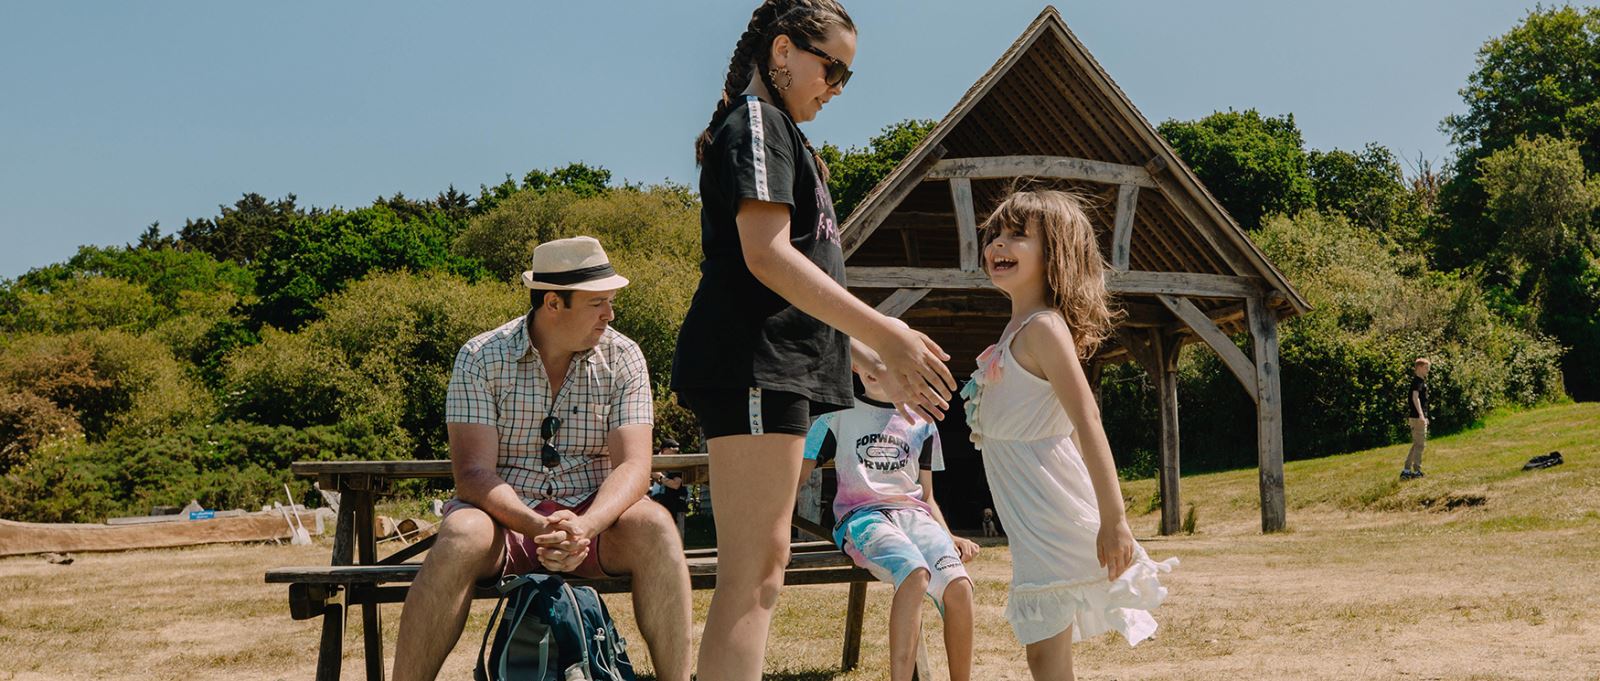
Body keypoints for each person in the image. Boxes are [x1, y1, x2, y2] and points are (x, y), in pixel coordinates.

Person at [671, 2, 955, 678]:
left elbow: (795, 284)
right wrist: (882, 328)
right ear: (782, 51)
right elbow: (765, 255)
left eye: (847, 78)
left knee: (763, 567)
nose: (836, 88)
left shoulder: (787, 137)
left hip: (779, 370)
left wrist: (858, 352)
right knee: (754, 570)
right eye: (833, 69)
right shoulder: (759, 122)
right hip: (749, 365)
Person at [391, 237, 691, 681]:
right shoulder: (480, 357)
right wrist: (539, 528)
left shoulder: (624, 355)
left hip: (595, 519)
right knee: (459, 532)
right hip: (503, 519)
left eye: (610, 302)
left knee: (657, 526)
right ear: (553, 302)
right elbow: (472, 475)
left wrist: (584, 527)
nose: (610, 314)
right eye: (598, 303)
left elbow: (633, 466)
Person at [960, 190, 1176, 680]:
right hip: (1029, 509)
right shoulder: (1016, 329)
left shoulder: (1042, 329)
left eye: (1018, 235)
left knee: (1044, 650)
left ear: (1055, 252)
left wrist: (1114, 519)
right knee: (1043, 651)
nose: (998, 243)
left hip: (1050, 506)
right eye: (993, 234)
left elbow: (1087, 421)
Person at [801, 373, 978, 681]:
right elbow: (794, 475)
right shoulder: (836, 417)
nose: (878, 364)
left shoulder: (923, 421)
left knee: (959, 585)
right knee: (914, 572)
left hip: (915, 517)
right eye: (871, 351)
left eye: (887, 353)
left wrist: (947, 534)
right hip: (863, 518)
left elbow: (927, 495)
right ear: (856, 363)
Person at [1401, 357, 1431, 479]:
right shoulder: (1417, 381)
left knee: (1417, 444)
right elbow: (1415, 398)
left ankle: (1406, 470)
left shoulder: (1420, 381)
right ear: (1419, 368)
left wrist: (1424, 415)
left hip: (1418, 417)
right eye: (1425, 368)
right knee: (1420, 445)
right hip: (1417, 417)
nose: (1427, 370)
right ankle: (1417, 471)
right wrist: (1421, 415)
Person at [651, 471, 691, 538]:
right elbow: (666, 485)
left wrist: (660, 477)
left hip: (677, 508)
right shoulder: (668, 473)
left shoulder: (676, 470)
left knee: (677, 536)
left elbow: (675, 485)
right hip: (668, 508)